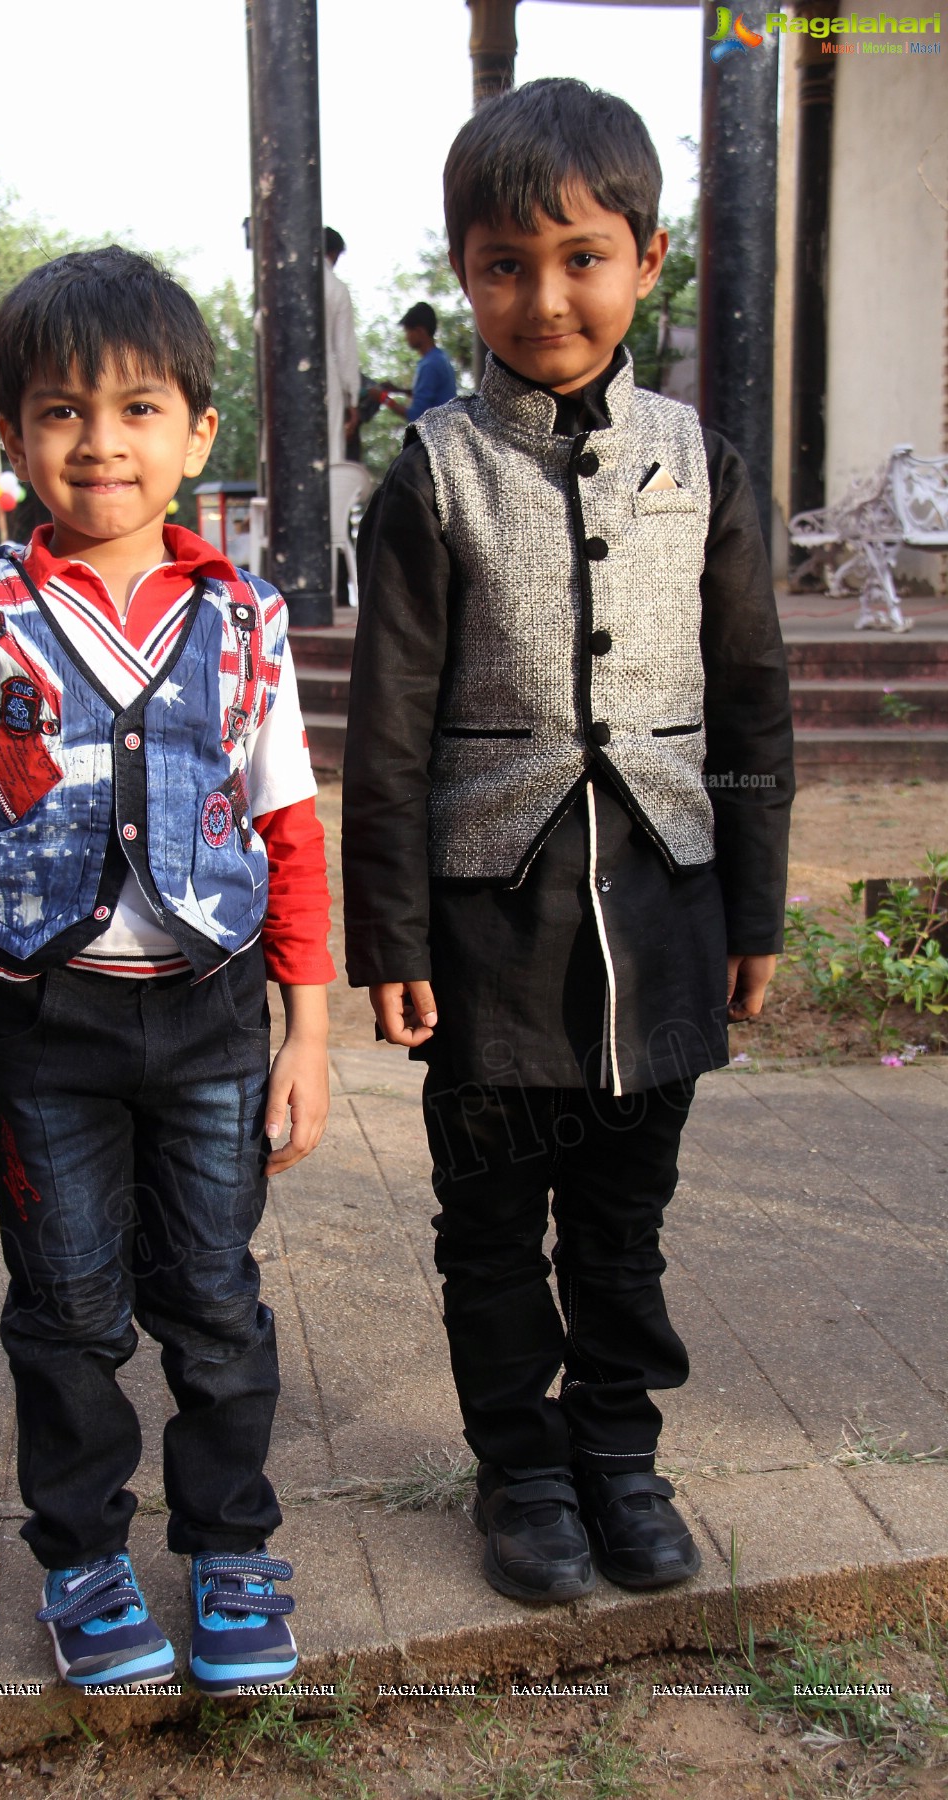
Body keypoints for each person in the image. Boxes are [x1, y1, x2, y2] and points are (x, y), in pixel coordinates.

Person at [342, 79, 793, 1606]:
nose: (546, 298)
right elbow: (389, 733)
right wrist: (392, 940)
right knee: (486, 1227)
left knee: (624, 1222)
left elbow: (753, 700)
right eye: (506, 265)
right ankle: (522, 1480)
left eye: (583, 256)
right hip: (487, 930)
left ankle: (620, 1458)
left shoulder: (703, 461)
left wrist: (757, 912)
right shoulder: (434, 476)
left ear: (647, 258)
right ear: (466, 272)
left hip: (664, 910)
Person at [0, 246, 335, 1692]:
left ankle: (230, 1546)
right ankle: (80, 1554)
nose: (101, 442)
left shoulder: (246, 622)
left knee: (213, 1295)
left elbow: (292, 832)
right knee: (66, 1305)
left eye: (139, 409)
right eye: (64, 411)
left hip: (211, 1025)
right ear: (13, 438)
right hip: (43, 1029)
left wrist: (308, 1034)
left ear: (199, 434)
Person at [372, 302, 456, 425]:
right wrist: (399, 390)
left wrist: (383, 398)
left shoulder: (429, 365)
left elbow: (415, 416)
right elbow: (431, 396)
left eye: (407, 332)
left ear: (420, 331)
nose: (406, 337)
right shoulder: (440, 357)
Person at [324, 227, 361, 462]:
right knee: (331, 457)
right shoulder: (336, 288)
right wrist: (353, 402)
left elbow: (259, 323)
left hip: (281, 381)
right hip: (327, 381)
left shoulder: (283, 280)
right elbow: (345, 351)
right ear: (335, 254)